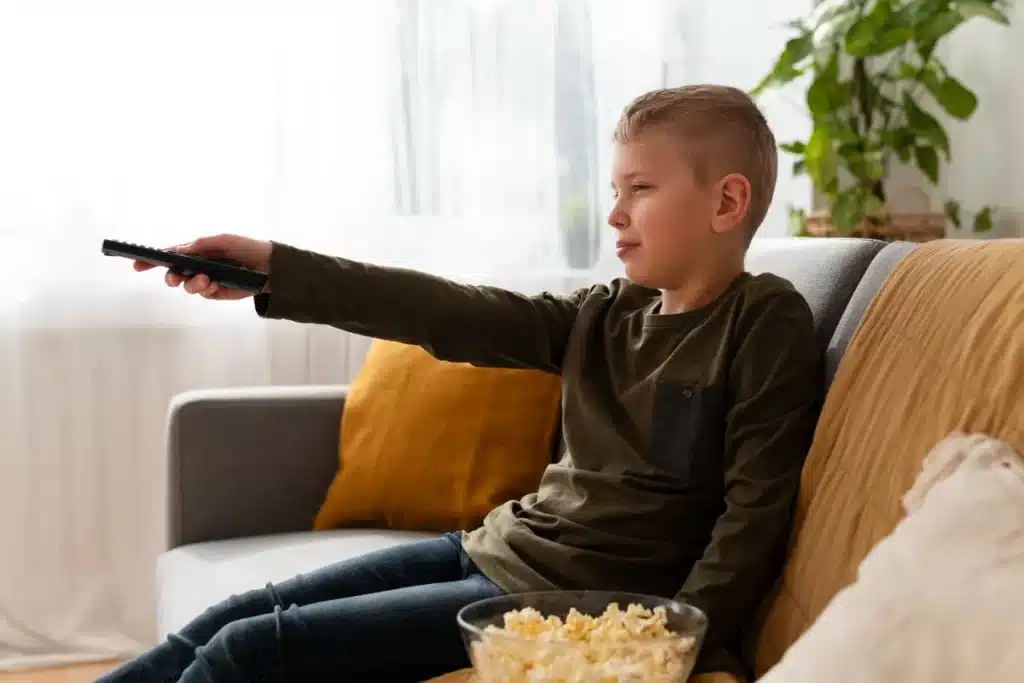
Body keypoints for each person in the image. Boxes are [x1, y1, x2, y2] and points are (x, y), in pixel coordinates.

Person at [99, 84, 823, 683]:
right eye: (615, 188)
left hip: (552, 599)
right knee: (230, 616)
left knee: (246, 652)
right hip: (486, 547)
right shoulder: (605, 313)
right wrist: (275, 268)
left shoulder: (763, 321)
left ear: (727, 203)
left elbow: (753, 512)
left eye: (641, 188)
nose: (614, 213)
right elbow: (444, 310)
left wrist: (673, 640)